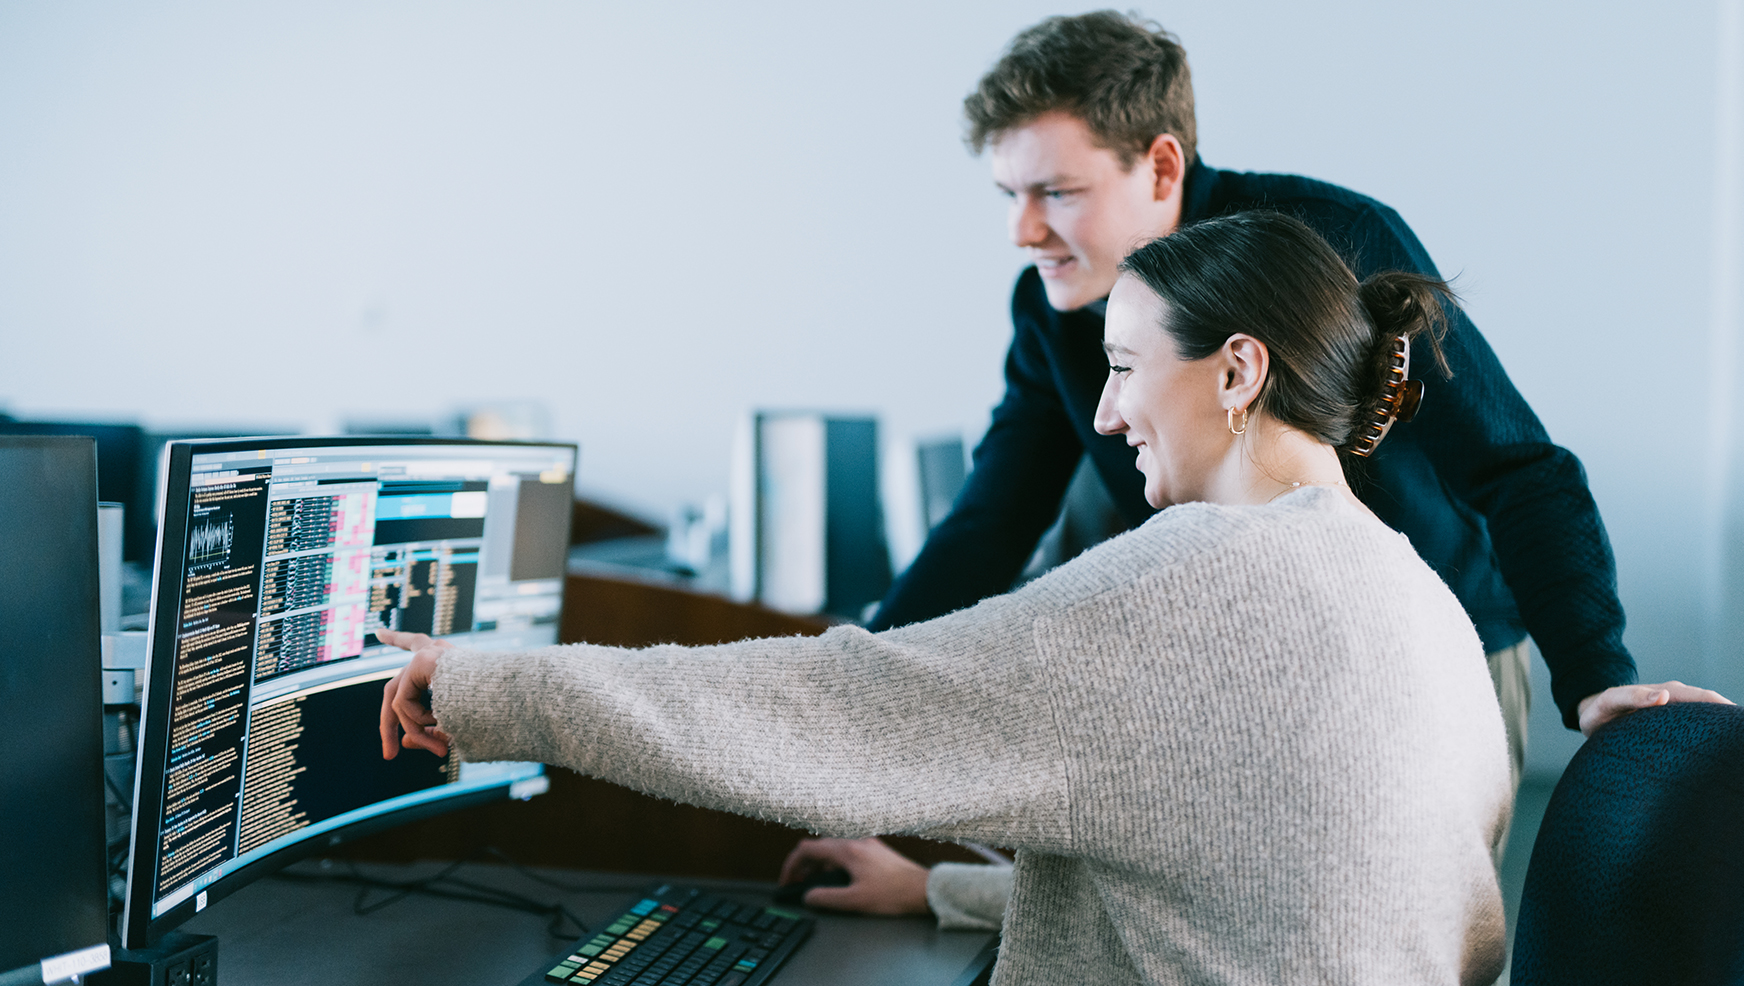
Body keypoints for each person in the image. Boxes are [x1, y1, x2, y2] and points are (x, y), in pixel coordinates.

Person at [381, 212, 1514, 985]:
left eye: (1123, 366)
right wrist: (948, 890)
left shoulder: (1194, 582)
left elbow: (837, 705)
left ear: (1235, 371)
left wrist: (487, 687)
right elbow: (1252, 874)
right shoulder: (1419, 595)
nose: (1106, 415)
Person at [817, 9, 1734, 931]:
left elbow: (1520, 470)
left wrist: (1593, 677)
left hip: (1432, 654)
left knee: (1381, 930)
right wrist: (860, 692)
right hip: (1243, 655)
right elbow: (992, 518)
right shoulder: (1054, 302)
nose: (1023, 230)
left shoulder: (1333, 241)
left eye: (1055, 192)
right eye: (1008, 194)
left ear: (1162, 166)